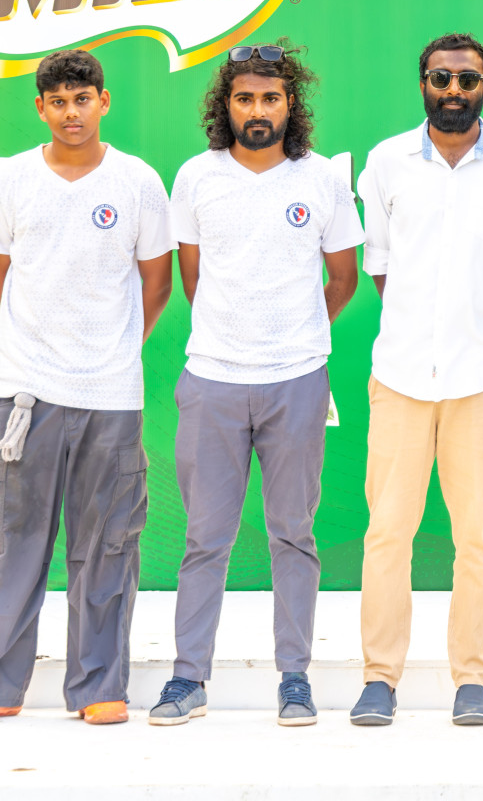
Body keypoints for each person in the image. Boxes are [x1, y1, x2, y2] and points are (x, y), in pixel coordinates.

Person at [0, 50, 174, 726]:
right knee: (7, 542)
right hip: (23, 393)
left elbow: (154, 282)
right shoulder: (12, 177)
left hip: (110, 393)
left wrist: (114, 349)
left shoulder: (136, 182)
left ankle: (99, 687)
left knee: (108, 544)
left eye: (83, 98)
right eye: (58, 102)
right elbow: (2, 274)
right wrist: (31, 351)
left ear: (104, 101)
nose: (72, 112)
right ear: (40, 108)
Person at [148, 42, 362, 729]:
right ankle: (188, 678)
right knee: (205, 538)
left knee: (292, 535)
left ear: (290, 103)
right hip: (211, 380)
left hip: (296, 382)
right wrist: (235, 334)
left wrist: (296, 337)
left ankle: (294, 678)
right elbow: (193, 278)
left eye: (271, 98)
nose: (258, 110)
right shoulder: (195, 177)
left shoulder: (322, 179)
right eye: (246, 98)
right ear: (227, 105)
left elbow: (344, 278)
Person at [349, 33, 483, 727]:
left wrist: (468, 326)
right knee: (387, 534)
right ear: (423, 82)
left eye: (468, 80)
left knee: (479, 538)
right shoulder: (386, 162)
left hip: (481, 377)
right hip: (399, 375)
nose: (453, 91)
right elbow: (381, 267)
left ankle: (472, 680)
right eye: (440, 78)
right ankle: (379, 678)